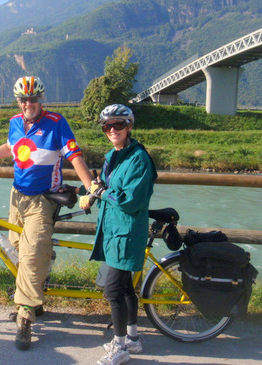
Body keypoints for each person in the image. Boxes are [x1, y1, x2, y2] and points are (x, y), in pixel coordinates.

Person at [0, 76, 93, 351]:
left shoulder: (56, 122)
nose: (28, 104)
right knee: (18, 247)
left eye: (33, 99)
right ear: (18, 102)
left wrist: (90, 186)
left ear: (41, 100)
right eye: (23, 100)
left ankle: (25, 316)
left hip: (43, 200)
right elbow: (12, 147)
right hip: (17, 197)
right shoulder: (15, 122)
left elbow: (74, 154)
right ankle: (42, 270)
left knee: (30, 255)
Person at [79, 104, 157, 365]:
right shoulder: (113, 156)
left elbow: (131, 200)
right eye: (107, 126)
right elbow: (105, 184)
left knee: (112, 291)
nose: (113, 130)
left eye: (119, 125)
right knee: (124, 288)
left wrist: (101, 193)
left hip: (127, 232)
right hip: (113, 229)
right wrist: (93, 193)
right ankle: (133, 339)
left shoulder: (139, 159)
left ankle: (120, 347)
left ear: (129, 126)